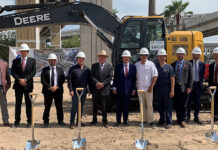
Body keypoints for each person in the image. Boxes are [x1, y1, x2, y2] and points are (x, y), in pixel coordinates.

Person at [11, 43, 36, 127]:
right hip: (18, 85)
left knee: (28, 103)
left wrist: (25, 79)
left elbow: (33, 72)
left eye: (24, 51)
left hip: (28, 86)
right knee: (18, 104)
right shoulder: (15, 61)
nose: (22, 53)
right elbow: (13, 72)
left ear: (27, 52)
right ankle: (17, 121)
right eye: (21, 51)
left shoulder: (32, 61)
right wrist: (19, 79)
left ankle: (29, 121)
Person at [41, 53, 66, 127]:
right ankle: (45, 121)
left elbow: (62, 79)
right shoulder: (45, 69)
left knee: (59, 106)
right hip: (48, 91)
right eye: (51, 60)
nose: (52, 61)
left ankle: (60, 121)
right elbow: (43, 80)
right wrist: (49, 87)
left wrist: (57, 86)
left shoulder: (60, 69)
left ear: (56, 61)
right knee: (47, 106)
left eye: (54, 60)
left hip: (58, 91)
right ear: (48, 61)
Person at [135, 47, 158, 128]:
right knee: (141, 106)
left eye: (145, 55)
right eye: (142, 55)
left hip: (148, 89)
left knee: (149, 105)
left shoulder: (151, 64)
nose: (144, 57)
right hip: (140, 89)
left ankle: (151, 121)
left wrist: (151, 86)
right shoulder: (137, 65)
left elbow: (155, 76)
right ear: (140, 56)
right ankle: (143, 121)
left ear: (147, 56)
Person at [67, 51, 91, 128]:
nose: (81, 60)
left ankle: (79, 121)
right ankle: (71, 122)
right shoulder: (72, 69)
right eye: (79, 59)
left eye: (82, 59)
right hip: (75, 91)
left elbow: (89, 80)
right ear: (77, 60)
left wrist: (89, 89)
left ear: (84, 60)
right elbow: (69, 80)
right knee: (74, 106)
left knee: (81, 106)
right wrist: (71, 90)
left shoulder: (87, 69)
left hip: (83, 91)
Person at [113, 50, 136, 126]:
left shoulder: (133, 67)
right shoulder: (118, 66)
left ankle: (125, 120)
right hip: (119, 90)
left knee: (126, 106)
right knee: (119, 106)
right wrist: (114, 88)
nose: (126, 59)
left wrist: (133, 89)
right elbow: (115, 78)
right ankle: (118, 121)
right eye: (124, 57)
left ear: (129, 58)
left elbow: (133, 80)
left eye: (127, 57)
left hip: (128, 90)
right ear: (122, 58)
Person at [90, 50, 113, 128]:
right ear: (98, 58)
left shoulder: (109, 66)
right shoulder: (94, 66)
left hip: (104, 89)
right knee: (95, 106)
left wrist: (102, 84)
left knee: (104, 106)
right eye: (100, 57)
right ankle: (94, 120)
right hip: (96, 89)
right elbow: (92, 76)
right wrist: (97, 83)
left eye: (103, 57)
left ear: (105, 58)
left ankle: (104, 121)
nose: (102, 58)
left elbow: (110, 77)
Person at [171, 47, 193, 128]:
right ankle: (178, 119)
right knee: (177, 104)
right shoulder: (173, 64)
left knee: (184, 104)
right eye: (178, 54)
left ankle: (183, 120)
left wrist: (189, 87)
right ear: (176, 55)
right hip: (176, 86)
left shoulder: (188, 64)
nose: (180, 55)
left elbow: (191, 77)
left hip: (184, 87)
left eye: (181, 54)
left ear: (184, 55)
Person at [155, 49, 175, 129]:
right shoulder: (155, 66)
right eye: (160, 56)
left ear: (165, 57)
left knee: (168, 106)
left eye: (163, 56)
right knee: (159, 106)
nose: (162, 58)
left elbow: (172, 79)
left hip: (167, 88)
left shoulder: (169, 67)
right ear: (158, 57)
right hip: (158, 88)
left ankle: (169, 122)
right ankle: (162, 120)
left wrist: (172, 90)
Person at [187, 47, 205, 124]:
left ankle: (196, 117)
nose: (197, 56)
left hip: (198, 85)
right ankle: (188, 117)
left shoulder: (202, 64)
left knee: (197, 102)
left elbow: (202, 75)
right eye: (195, 54)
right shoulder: (188, 63)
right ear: (192, 54)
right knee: (188, 101)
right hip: (190, 85)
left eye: (198, 54)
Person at [0, 58, 11, 126]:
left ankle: (5, 120)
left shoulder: (4, 64)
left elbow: (8, 77)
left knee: (4, 104)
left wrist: (6, 88)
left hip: (1, 87)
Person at [208, 47, 218, 122]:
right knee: (214, 102)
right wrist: (209, 86)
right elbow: (210, 77)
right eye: (215, 54)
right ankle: (214, 117)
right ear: (213, 56)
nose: (216, 56)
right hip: (214, 85)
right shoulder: (211, 66)